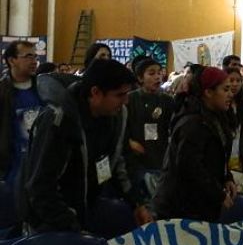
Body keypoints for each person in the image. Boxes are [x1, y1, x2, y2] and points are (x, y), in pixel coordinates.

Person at [18, 59, 152, 232]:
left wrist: (136, 203)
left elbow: (120, 163)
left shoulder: (116, 117)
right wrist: (72, 227)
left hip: (86, 209)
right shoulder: (59, 121)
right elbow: (40, 187)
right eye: (119, 95)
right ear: (95, 92)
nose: (126, 101)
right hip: (49, 223)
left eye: (127, 93)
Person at [154, 67, 237, 222]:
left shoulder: (216, 117)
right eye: (225, 89)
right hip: (181, 207)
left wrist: (227, 177)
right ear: (208, 92)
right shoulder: (193, 122)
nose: (230, 94)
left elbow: (217, 155)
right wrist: (218, 194)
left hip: (200, 202)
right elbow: (189, 165)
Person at [125, 58, 175, 200]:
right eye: (151, 73)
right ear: (140, 78)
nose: (157, 77)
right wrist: (129, 142)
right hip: (137, 156)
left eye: (159, 73)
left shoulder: (168, 100)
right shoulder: (130, 99)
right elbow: (121, 128)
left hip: (160, 154)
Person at [0, 41, 44, 206]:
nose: (34, 61)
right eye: (28, 56)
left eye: (35, 56)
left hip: (40, 168)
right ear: (12, 61)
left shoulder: (44, 89)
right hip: (11, 170)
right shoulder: (2, 92)